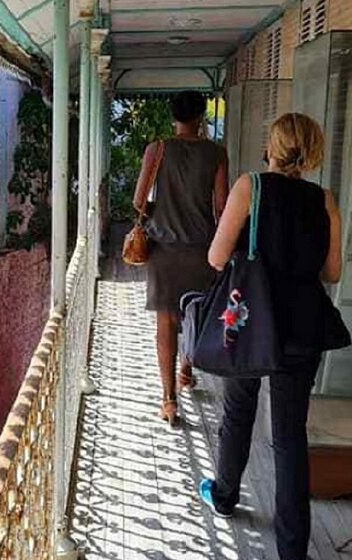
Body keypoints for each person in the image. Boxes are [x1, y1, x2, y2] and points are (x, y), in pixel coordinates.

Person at [198, 113, 345, 560]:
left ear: (274, 146)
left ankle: (225, 494)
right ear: (313, 150)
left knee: (238, 410)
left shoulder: (251, 187)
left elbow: (216, 257)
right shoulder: (324, 199)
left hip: (252, 321)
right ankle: (293, 550)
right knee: (289, 436)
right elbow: (332, 272)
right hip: (305, 326)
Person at [132, 91, 229, 427]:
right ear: (201, 116)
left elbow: (138, 200)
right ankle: (186, 370)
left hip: (163, 249)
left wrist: (162, 213)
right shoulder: (216, 153)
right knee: (194, 314)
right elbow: (221, 206)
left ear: (173, 116)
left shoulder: (157, 149)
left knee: (167, 321)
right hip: (202, 248)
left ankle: (169, 400)